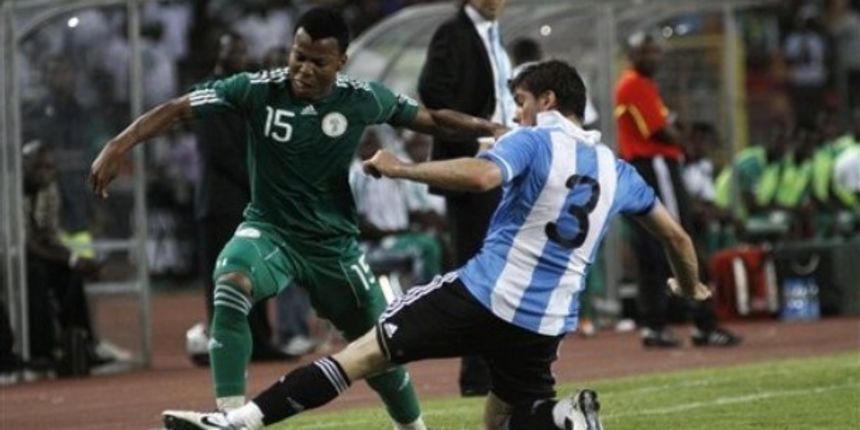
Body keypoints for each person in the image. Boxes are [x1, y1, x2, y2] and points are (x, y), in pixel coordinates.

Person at [161, 59, 712, 430]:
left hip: (483, 294)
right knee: (503, 420)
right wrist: (687, 287)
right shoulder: (618, 171)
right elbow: (678, 238)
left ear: (547, 100)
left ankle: (237, 423)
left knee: (363, 353)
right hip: (545, 321)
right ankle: (561, 419)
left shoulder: (533, 138)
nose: (515, 113)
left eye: (520, 100)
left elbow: (480, 178)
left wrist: (403, 169)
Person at [90, 8, 504, 429]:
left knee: (379, 352)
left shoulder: (362, 98)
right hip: (271, 232)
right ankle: (230, 417)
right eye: (298, 56)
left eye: (317, 62)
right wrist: (118, 145)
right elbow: (180, 108)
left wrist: (494, 130)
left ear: (340, 63)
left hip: (333, 246)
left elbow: (434, 121)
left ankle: (412, 426)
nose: (303, 69)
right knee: (231, 280)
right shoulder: (257, 89)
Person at [615, 32, 741, 348]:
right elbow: (662, 132)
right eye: (647, 52)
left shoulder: (642, 85)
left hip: (649, 168)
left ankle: (657, 324)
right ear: (633, 54)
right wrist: (681, 136)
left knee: (656, 249)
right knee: (679, 240)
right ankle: (702, 322)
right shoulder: (634, 84)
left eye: (657, 52)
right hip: (655, 166)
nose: (654, 58)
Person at [418, 0, 515, 397]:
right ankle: (476, 379)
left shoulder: (493, 33)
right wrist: (477, 136)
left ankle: (495, 370)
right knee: (477, 275)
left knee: (499, 273)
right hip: (470, 165)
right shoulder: (452, 33)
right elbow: (433, 93)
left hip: (498, 166)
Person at [188, 32, 291, 365]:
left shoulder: (249, 90)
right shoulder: (207, 91)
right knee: (223, 276)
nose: (240, 56)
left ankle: (260, 341)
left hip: (246, 199)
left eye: (244, 50)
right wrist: (260, 180)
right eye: (233, 49)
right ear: (220, 53)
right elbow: (218, 150)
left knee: (255, 270)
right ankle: (227, 344)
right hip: (220, 201)